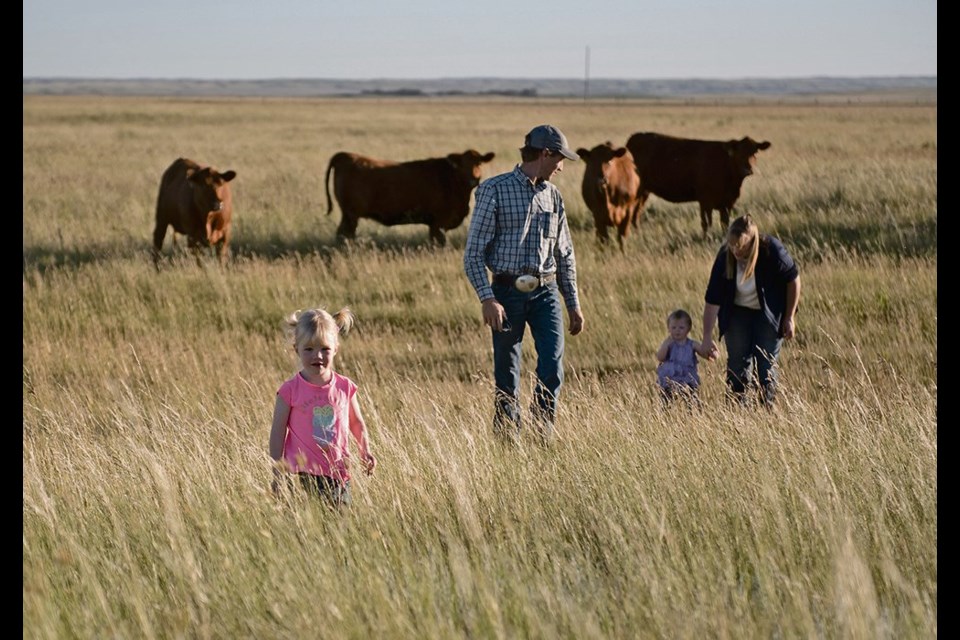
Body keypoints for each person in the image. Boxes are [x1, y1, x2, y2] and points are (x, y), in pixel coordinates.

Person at [463, 124, 585, 445]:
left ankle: (541, 432)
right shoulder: (494, 190)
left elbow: (564, 253)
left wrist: (572, 302)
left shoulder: (554, 196)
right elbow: (474, 254)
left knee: (552, 364)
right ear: (545, 154)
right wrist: (487, 299)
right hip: (504, 292)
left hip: (545, 293)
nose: (561, 167)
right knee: (507, 372)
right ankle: (508, 438)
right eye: (559, 159)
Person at [269, 307, 377, 508]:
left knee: (338, 526)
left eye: (324, 349)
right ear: (296, 349)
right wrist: (278, 471)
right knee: (312, 524)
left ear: (335, 348)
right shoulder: (290, 390)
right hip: (303, 473)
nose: (317, 355)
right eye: (308, 349)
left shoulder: (345, 387)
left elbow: (356, 422)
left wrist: (365, 451)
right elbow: (277, 432)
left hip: (338, 471)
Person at [699, 214, 801, 407]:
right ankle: (737, 411)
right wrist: (706, 337)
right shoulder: (725, 256)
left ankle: (767, 409)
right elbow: (713, 299)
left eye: (740, 246)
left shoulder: (771, 250)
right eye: (732, 245)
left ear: (751, 242)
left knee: (766, 365)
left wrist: (789, 317)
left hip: (769, 314)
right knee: (738, 364)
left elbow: (793, 279)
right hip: (737, 314)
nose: (735, 250)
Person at [656, 308, 712, 407]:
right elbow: (660, 357)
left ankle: (694, 415)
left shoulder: (692, 344)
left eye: (681, 328)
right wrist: (665, 345)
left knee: (691, 398)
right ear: (668, 328)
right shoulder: (669, 343)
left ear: (688, 328)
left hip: (687, 377)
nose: (677, 330)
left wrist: (709, 349)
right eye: (673, 327)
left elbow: (703, 353)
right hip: (670, 377)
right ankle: (665, 415)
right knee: (666, 399)